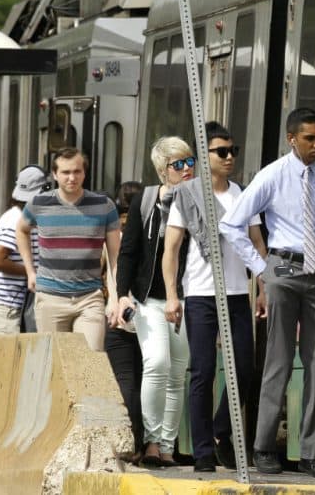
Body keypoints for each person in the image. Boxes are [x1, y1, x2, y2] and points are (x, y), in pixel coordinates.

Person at [220, 107, 315, 478]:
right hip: (283, 270)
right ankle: (264, 447)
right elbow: (231, 223)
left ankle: (311, 452)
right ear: (292, 139)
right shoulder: (272, 176)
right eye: (309, 138)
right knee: (278, 361)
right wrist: (262, 270)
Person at [162, 122, 266, 473]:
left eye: (232, 151)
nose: (229, 157)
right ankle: (203, 450)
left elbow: (256, 242)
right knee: (203, 372)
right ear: (204, 157)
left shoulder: (242, 194)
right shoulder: (188, 194)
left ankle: (223, 430)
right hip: (202, 295)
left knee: (243, 369)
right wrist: (173, 296)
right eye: (221, 151)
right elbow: (171, 250)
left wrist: (262, 287)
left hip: (238, 293)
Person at [115, 138, 196, 468]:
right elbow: (129, 251)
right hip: (149, 298)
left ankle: (166, 445)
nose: (187, 168)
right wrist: (122, 294)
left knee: (178, 374)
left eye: (190, 161)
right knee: (158, 363)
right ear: (164, 170)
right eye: (179, 164)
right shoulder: (146, 201)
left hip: (188, 297)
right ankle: (150, 440)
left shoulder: (199, 201)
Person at [16, 148, 120, 351]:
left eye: (77, 171)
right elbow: (21, 230)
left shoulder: (104, 206)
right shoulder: (38, 203)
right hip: (50, 298)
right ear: (55, 174)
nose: (72, 178)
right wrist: (30, 271)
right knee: (54, 366)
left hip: (90, 298)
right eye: (65, 172)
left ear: (84, 172)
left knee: (90, 363)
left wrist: (115, 299)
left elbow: (116, 258)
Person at [105, 181, 144, 465]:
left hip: (119, 317)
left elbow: (105, 272)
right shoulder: (154, 230)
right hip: (146, 314)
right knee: (145, 381)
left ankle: (130, 444)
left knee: (127, 382)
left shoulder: (111, 235)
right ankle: (143, 444)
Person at [0, 166, 50, 336]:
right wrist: (32, 272)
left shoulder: (28, 216)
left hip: (20, 305)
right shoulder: (14, 219)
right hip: (9, 307)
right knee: (10, 361)